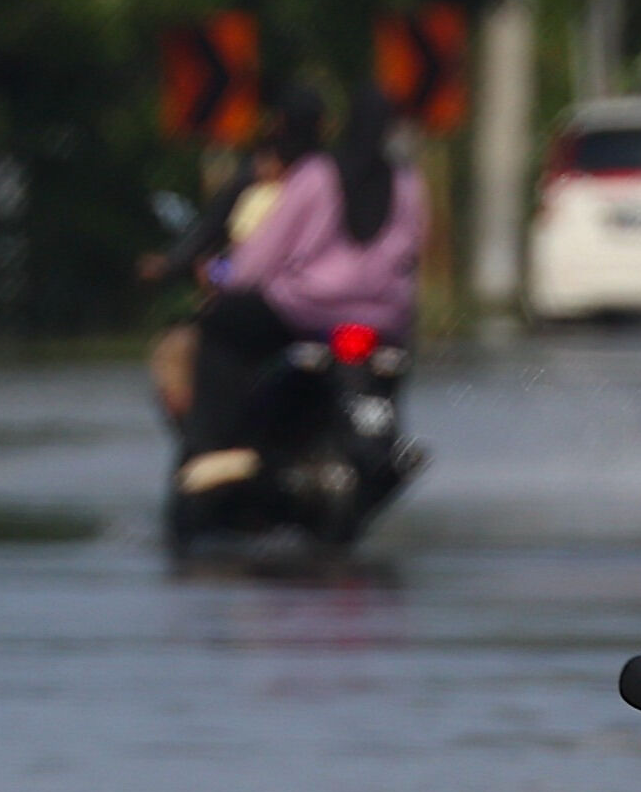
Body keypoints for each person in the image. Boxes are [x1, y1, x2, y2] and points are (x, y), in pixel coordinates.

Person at [175, 85, 426, 493]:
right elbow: (414, 250)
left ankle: (206, 447)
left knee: (222, 329)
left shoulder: (317, 175)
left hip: (306, 313)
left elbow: (261, 256)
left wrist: (227, 280)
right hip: (384, 320)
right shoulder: (407, 183)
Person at [139, 88, 326, 425]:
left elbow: (246, 262)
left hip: (270, 307)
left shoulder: (291, 187)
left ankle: (204, 441)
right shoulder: (337, 179)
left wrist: (209, 273)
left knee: (188, 348)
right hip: (327, 308)